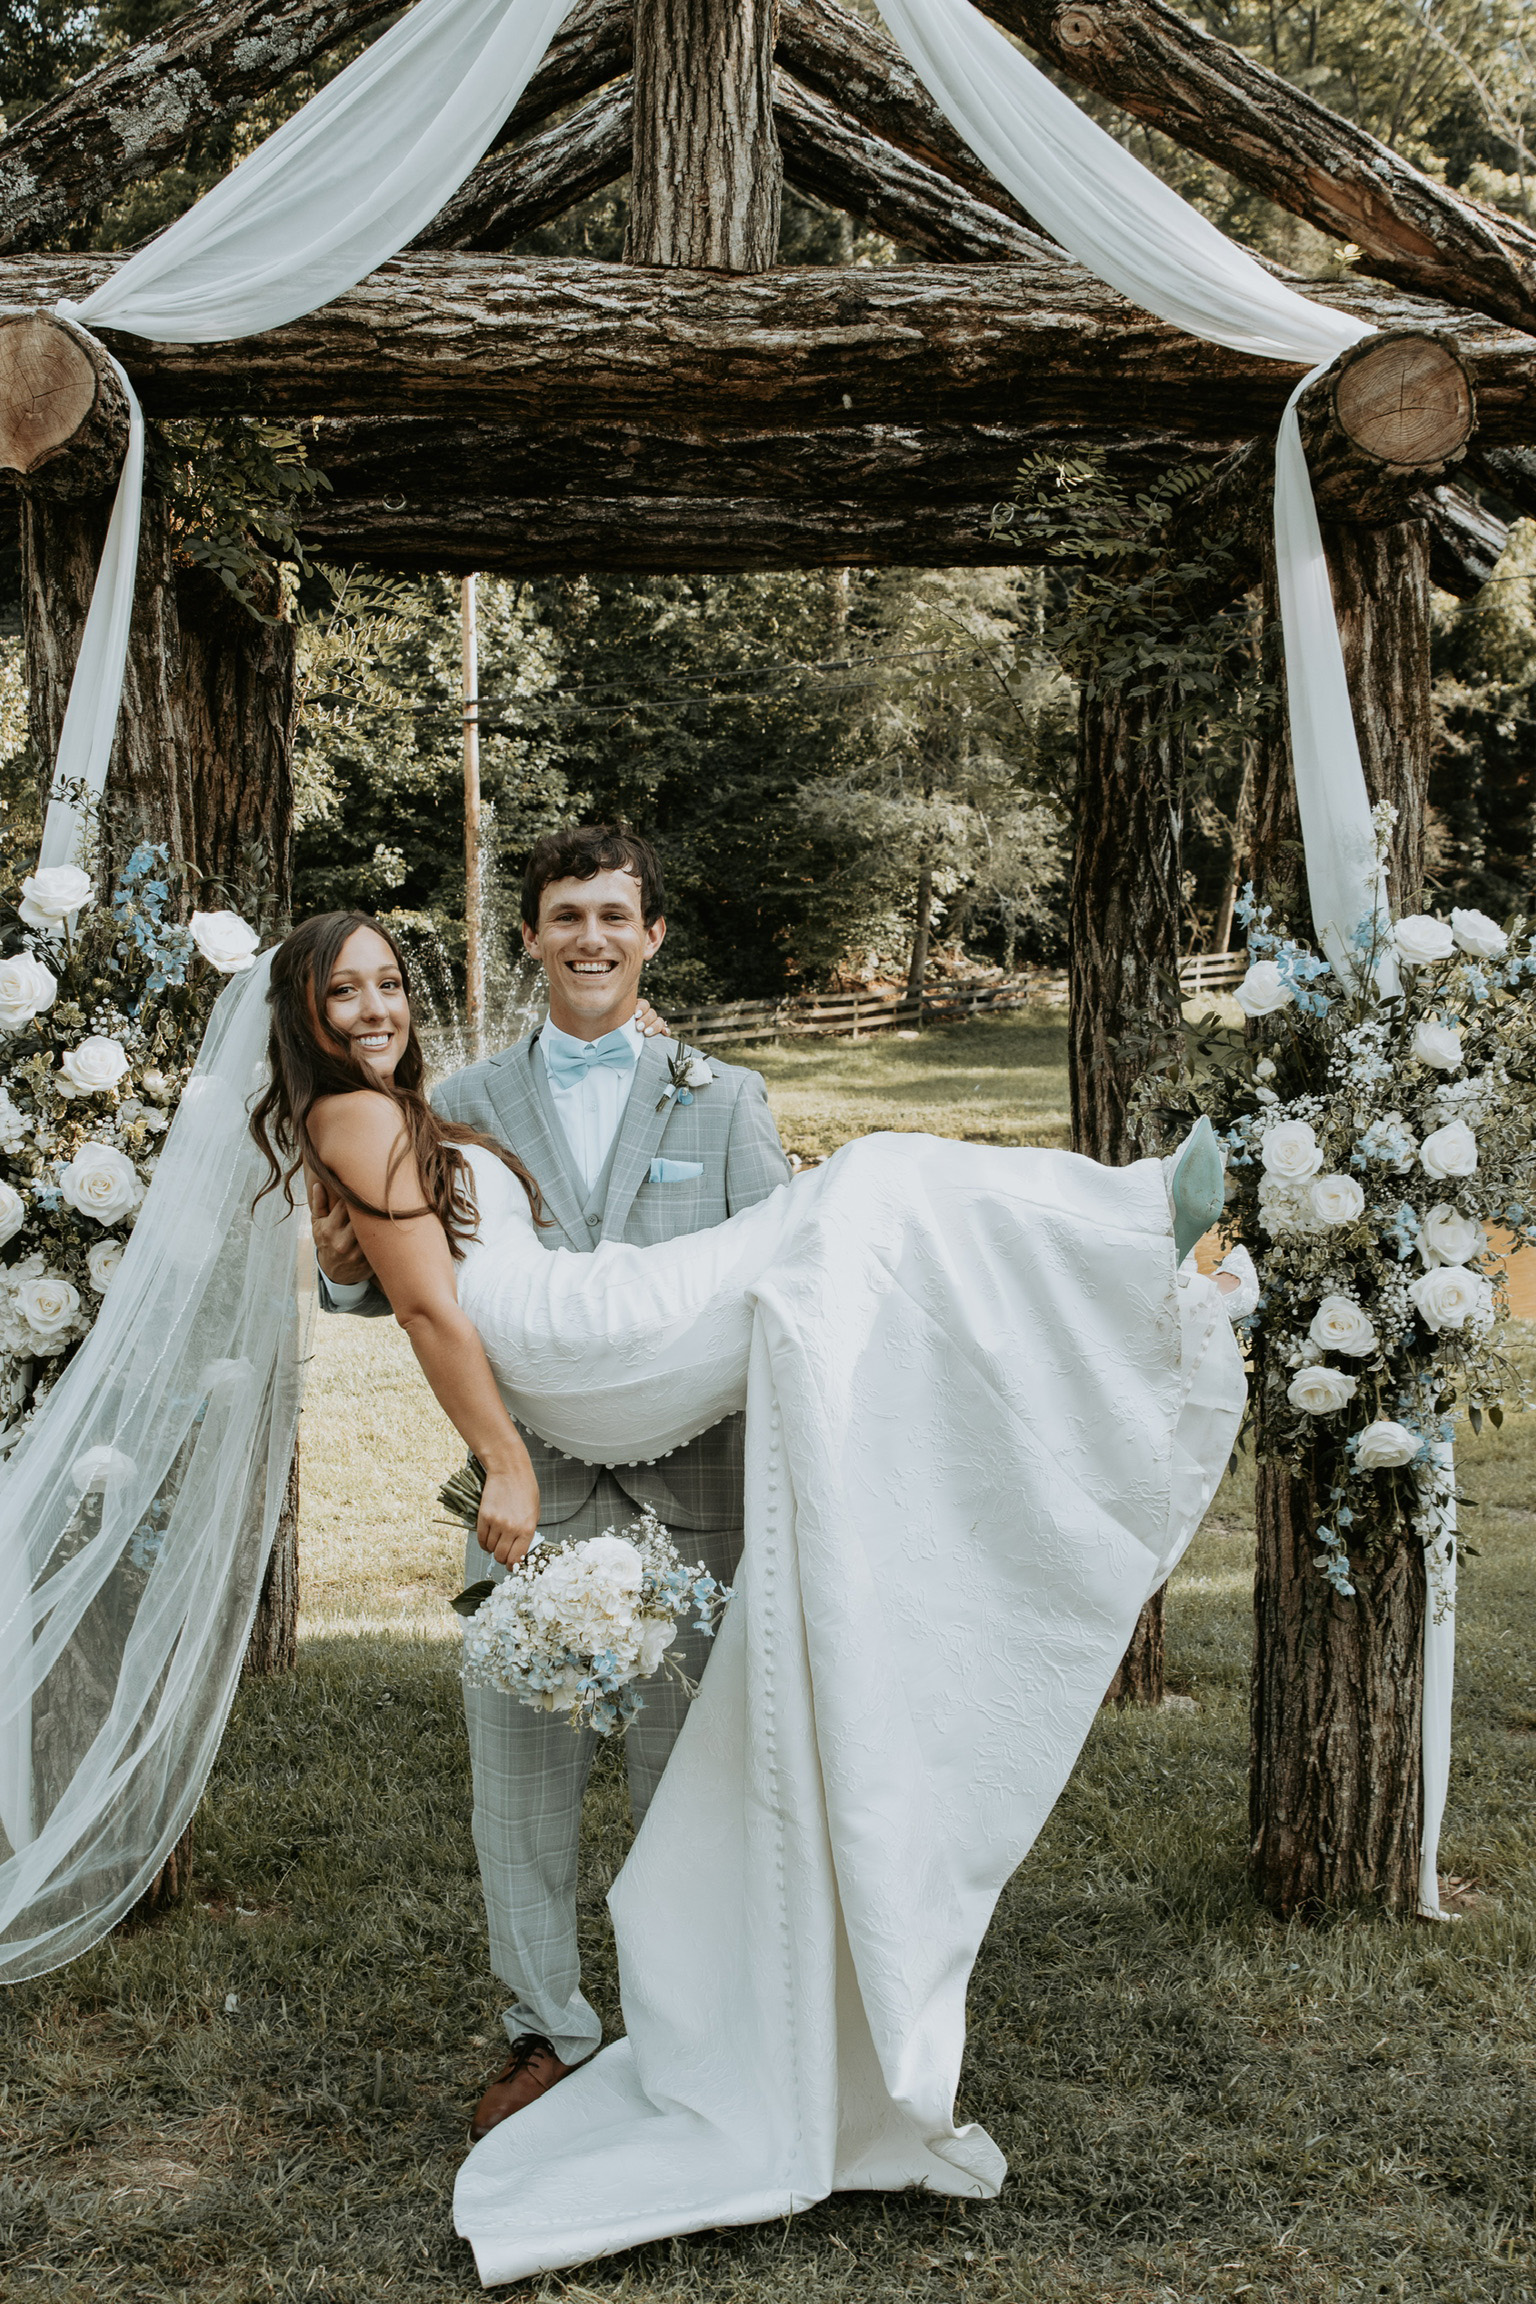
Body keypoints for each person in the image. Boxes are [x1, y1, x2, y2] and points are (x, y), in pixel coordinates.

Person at [248, 902, 1247, 2285]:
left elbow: (411, 1264)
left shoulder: (396, 1116)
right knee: (879, 1184)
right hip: (580, 1348)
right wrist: (505, 1466)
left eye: (387, 983)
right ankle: (1136, 1219)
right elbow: (427, 1311)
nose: (373, 1007)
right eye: (341, 993)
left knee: (868, 1206)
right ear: (300, 1019)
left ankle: (1128, 1237)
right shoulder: (357, 1123)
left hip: (601, 1321)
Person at [303, 827, 790, 2139]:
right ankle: (549, 2034)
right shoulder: (450, 1099)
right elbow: (379, 1287)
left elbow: (785, 1303)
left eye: (613, 916)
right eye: (564, 914)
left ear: (653, 936)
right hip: (532, 1507)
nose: (589, 937)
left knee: (688, 1793)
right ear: (527, 935)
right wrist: (335, 1235)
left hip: (700, 1506)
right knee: (517, 1795)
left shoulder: (726, 1097)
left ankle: (695, 2031)